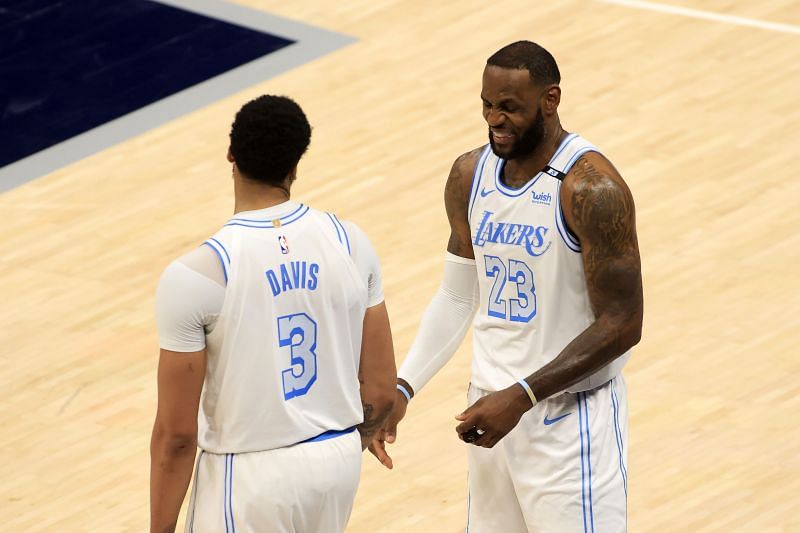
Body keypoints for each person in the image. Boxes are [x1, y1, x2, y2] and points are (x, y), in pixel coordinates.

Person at [371, 41, 643, 532]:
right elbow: (458, 296)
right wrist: (403, 387)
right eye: (487, 105)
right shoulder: (470, 174)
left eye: (510, 108)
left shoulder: (591, 190)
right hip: (491, 413)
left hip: (567, 420)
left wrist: (521, 395)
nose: (495, 119)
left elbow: (623, 324)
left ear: (550, 100)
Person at [149, 94, 397, 533]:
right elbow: (378, 387)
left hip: (249, 477)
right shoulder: (350, 242)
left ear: (231, 153)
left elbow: (177, 436)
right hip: (336, 463)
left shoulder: (197, 275)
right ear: (296, 163)